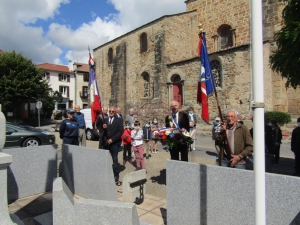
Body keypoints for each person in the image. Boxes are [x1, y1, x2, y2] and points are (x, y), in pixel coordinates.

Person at [102, 106, 124, 185]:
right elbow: (101, 132)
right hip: (106, 143)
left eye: (113, 111)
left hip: (114, 143)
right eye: (110, 111)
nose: (111, 112)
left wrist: (113, 139)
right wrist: (103, 128)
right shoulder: (106, 120)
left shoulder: (119, 120)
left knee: (114, 159)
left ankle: (116, 175)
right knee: (104, 159)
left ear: (115, 112)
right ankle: (105, 173)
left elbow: (120, 131)